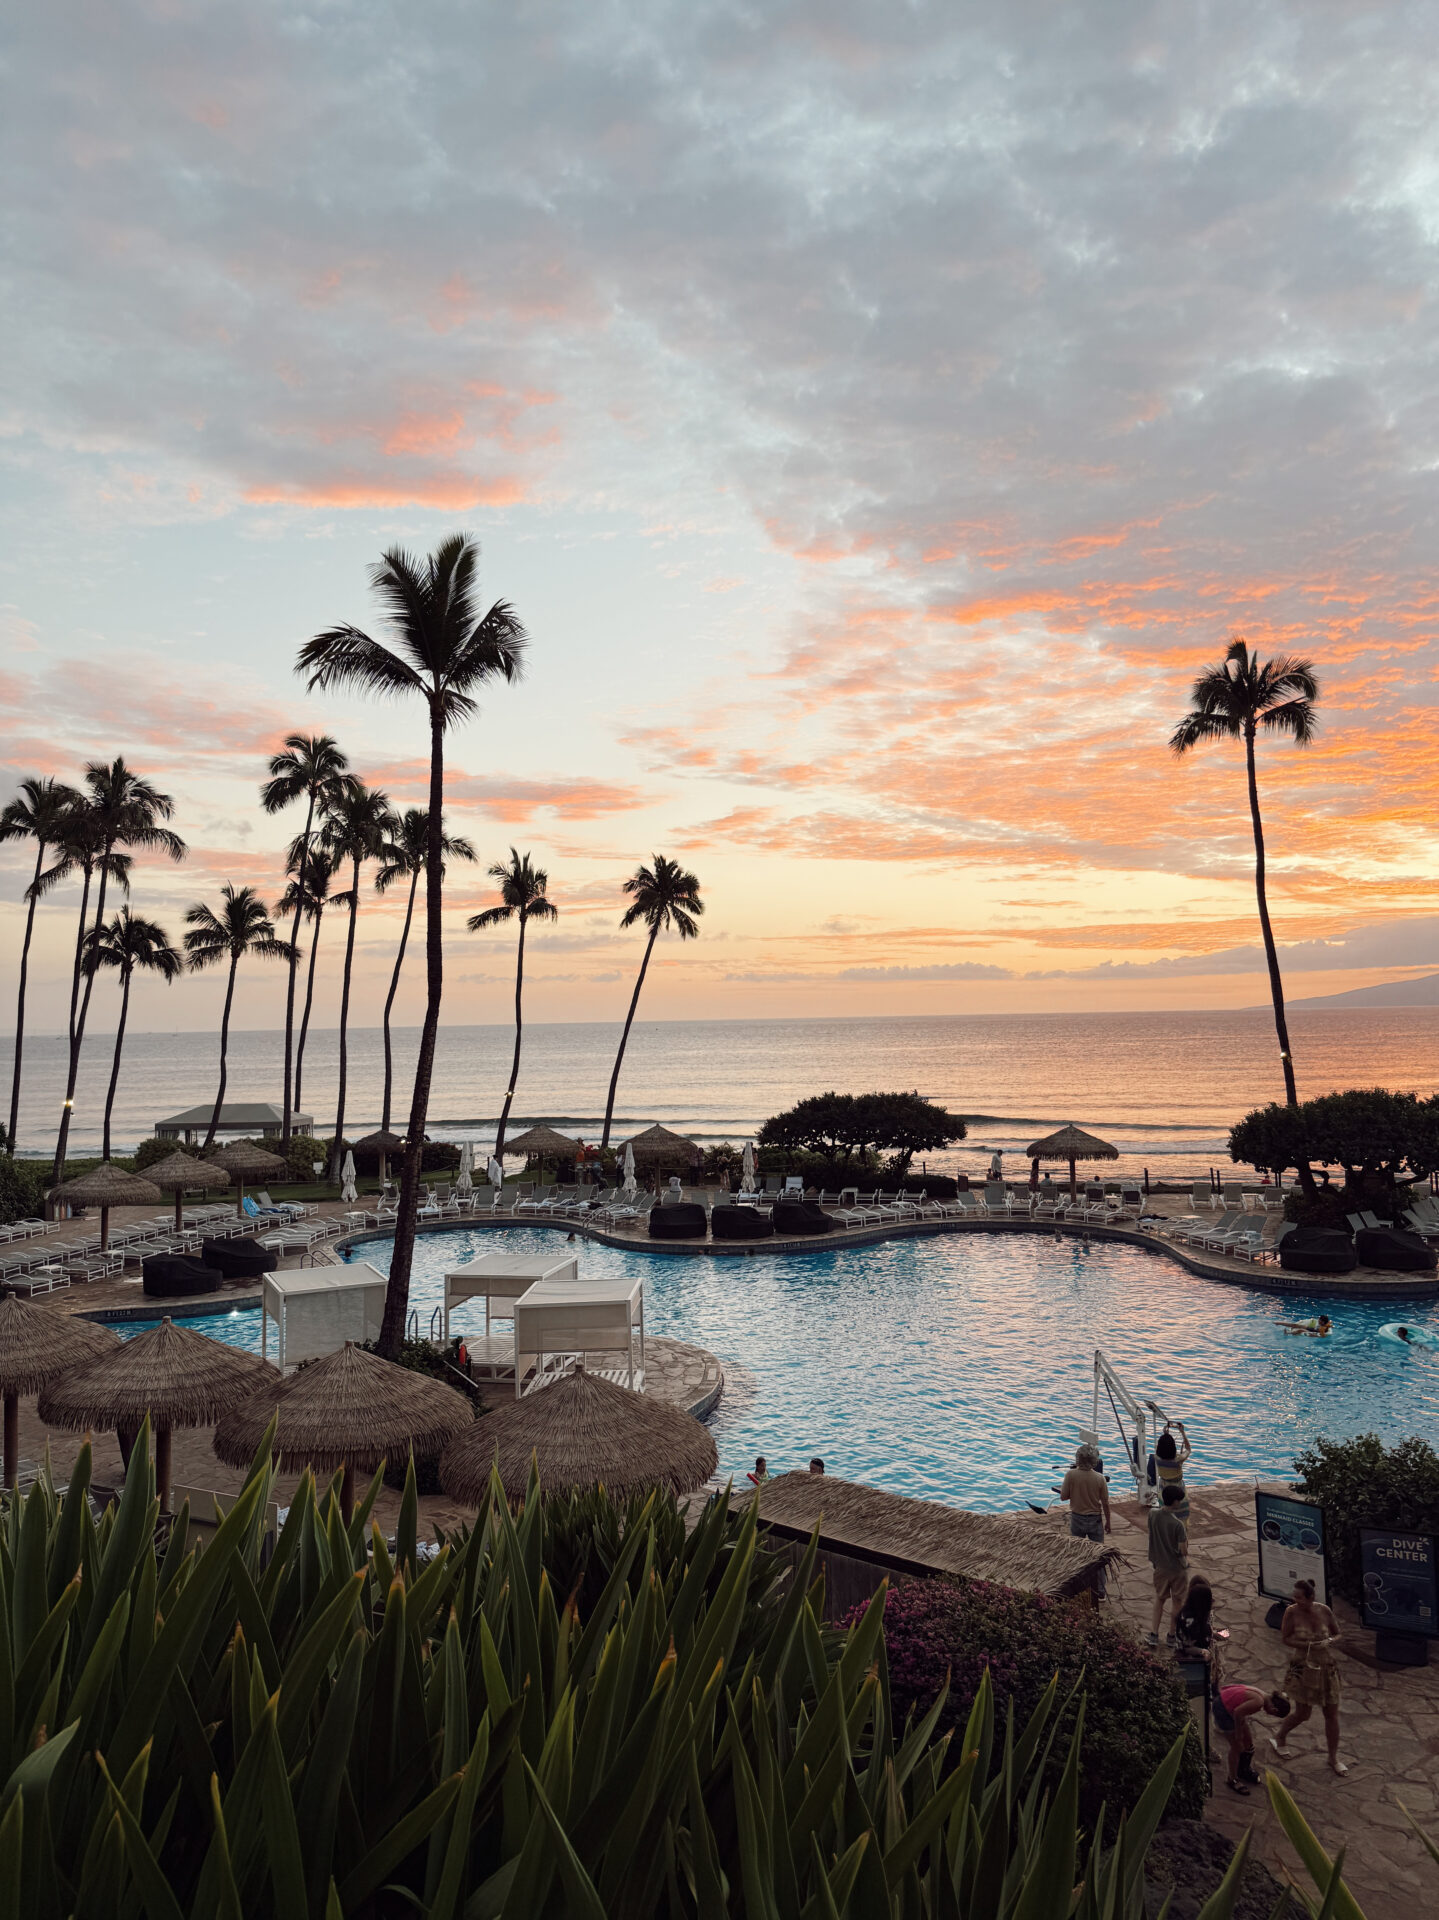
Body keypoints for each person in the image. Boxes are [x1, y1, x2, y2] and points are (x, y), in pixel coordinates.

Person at [1271, 1578, 1348, 1774]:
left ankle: (1333, 1757)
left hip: (1326, 1665)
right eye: (1294, 1596)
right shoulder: (1291, 1612)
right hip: (1303, 1665)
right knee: (1303, 1714)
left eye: (1299, 1597)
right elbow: (1286, 1638)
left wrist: (1328, 1641)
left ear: (1311, 1597)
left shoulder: (1324, 1610)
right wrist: (1307, 1645)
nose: (1295, 1600)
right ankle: (1280, 1736)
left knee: (1331, 1714)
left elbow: (1338, 1633)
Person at [1215, 1684, 1290, 1794]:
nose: (1268, 1714)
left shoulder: (1263, 1695)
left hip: (1229, 1705)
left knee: (1248, 1743)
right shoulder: (1258, 1702)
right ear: (1274, 1710)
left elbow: (1238, 1704)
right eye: (1272, 1714)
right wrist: (1239, 1736)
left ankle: (1243, 1770)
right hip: (1223, 1709)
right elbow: (1237, 1713)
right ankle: (1232, 1779)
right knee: (1236, 1747)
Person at [1058, 1445, 1111, 1596]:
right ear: (1095, 1460)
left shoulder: (1071, 1475)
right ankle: (1100, 1590)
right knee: (1098, 1556)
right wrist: (1108, 1521)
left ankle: (1077, 1588)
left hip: (1077, 1518)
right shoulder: (1100, 1478)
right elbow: (1105, 1503)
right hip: (1095, 1519)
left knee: (1077, 1554)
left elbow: (1063, 1496)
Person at [1147, 1485, 1189, 1647]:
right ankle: (1172, 1635)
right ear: (1177, 1502)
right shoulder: (1178, 1525)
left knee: (1160, 1599)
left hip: (1160, 1566)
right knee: (1177, 1602)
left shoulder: (1152, 1514)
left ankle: (1154, 1634)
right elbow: (1183, 1551)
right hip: (1177, 1569)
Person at [1153, 1424, 1191, 1520]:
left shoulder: (1156, 1458)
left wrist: (1165, 1434)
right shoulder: (1178, 1460)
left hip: (1164, 1489)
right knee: (1181, 1517)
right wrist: (1182, 1432)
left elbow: (1160, 1448)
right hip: (1177, 1488)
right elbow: (1188, 1449)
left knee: (1165, 1514)